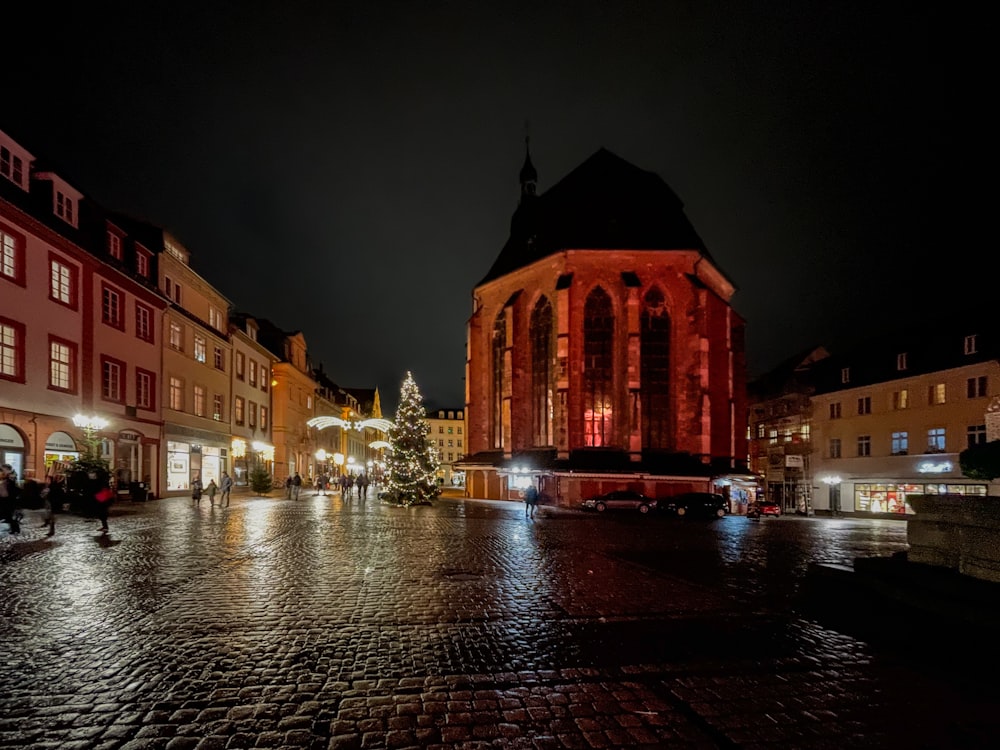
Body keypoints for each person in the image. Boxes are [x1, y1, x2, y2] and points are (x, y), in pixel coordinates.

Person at [1, 464, 21, 534]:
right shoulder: (9, 475)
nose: (3, 471)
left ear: (7, 469)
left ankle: (16, 528)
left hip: (10, 498)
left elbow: (13, 487)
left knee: (10, 515)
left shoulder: (11, 475)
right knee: (8, 515)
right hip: (7, 498)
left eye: (3, 469)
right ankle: (14, 528)